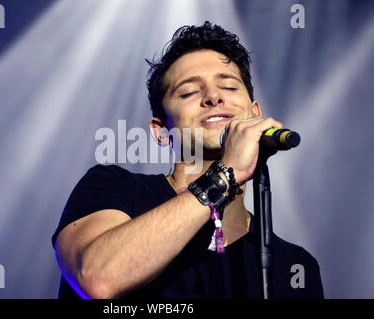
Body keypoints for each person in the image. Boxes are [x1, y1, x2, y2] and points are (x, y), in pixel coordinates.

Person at [52, 21, 324, 299]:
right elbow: (98, 279)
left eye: (229, 87)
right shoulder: (114, 188)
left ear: (255, 113)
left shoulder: (295, 266)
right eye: (190, 92)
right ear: (160, 131)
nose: (214, 97)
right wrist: (223, 176)